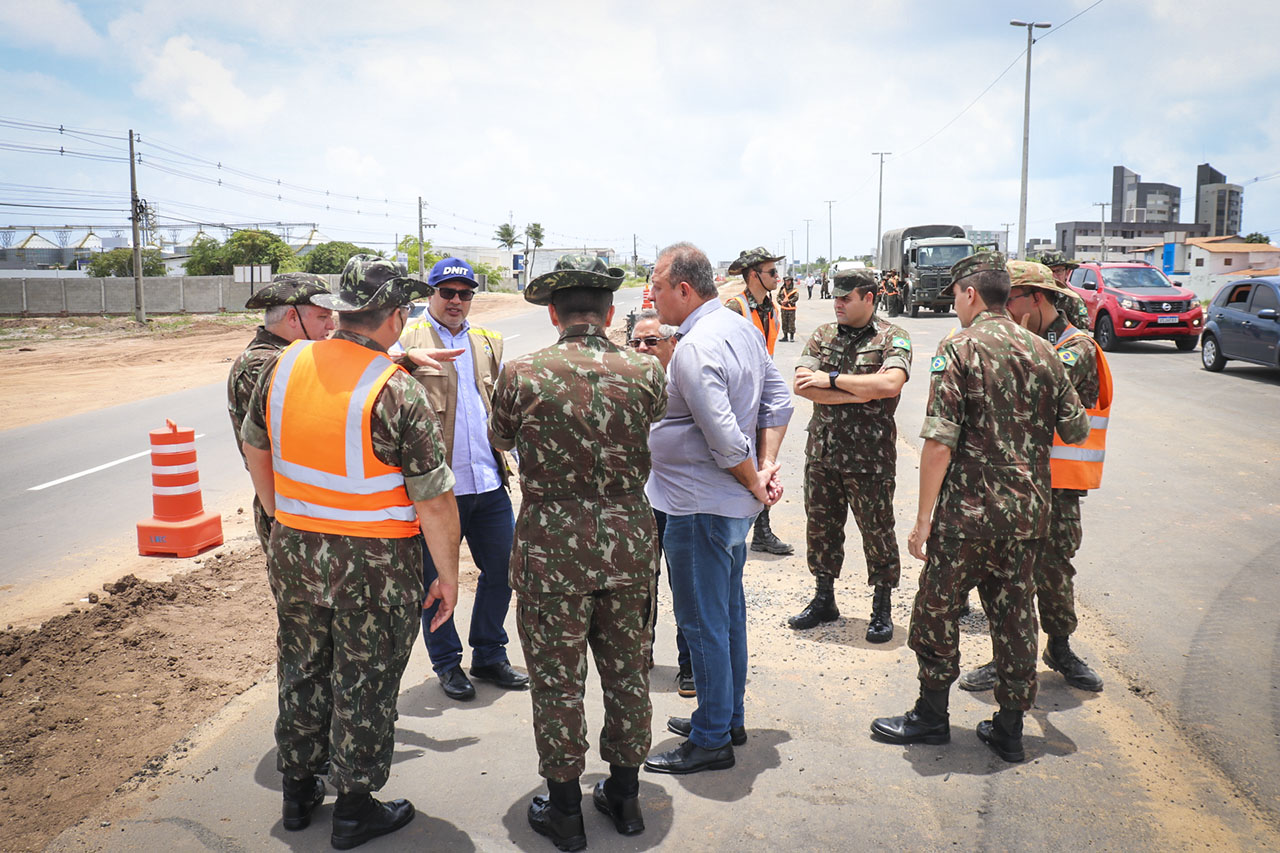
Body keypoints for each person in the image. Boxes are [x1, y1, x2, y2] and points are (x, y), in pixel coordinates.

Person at [240, 254, 461, 849]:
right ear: (393, 317)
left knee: (302, 668)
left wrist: (286, 516)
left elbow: (254, 447)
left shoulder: (283, 367)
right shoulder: (397, 391)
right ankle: (355, 810)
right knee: (363, 681)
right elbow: (435, 501)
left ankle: (297, 792)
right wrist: (447, 575)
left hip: (295, 552)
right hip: (374, 563)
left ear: (339, 313)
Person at [869, 252, 1089, 764]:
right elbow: (1075, 429)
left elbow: (940, 442)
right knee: (1014, 618)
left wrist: (923, 520)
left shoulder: (958, 348)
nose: (953, 303)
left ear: (971, 293)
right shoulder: (1044, 350)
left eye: (954, 294)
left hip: (966, 517)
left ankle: (930, 716)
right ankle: (1010, 728)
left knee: (937, 611)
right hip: (1029, 516)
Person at [489, 255, 667, 851]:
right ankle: (626, 797)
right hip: (629, 544)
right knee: (628, 676)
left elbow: (503, 437)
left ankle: (565, 812)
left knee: (557, 685)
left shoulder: (521, 373)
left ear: (552, 314)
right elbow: (654, 420)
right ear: (610, 312)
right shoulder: (645, 370)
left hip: (550, 550)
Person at [644, 242, 794, 775]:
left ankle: (711, 740)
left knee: (703, 622)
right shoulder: (740, 330)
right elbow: (778, 401)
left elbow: (724, 437)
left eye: (657, 286)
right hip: (727, 505)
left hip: (698, 507)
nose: (652, 295)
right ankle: (725, 715)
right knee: (727, 616)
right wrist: (766, 467)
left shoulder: (696, 345)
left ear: (684, 289)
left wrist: (756, 474)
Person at [958, 260, 1112, 694]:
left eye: (1011, 299)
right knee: (1006, 573)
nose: (1001, 308)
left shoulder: (1074, 347)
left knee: (1054, 570)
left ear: (1036, 299)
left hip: (1057, 485)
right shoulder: (1022, 342)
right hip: (1014, 481)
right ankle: (1002, 656)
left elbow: (1030, 385)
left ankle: (1059, 647)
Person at [395, 256, 528, 702]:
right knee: (437, 580)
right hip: (439, 490)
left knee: (504, 571)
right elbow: (368, 364)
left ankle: (489, 653)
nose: (456, 301)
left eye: (464, 293)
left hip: (488, 482)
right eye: (447, 292)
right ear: (430, 293)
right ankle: (447, 664)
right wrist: (401, 356)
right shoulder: (406, 338)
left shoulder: (488, 340)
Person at [790, 268, 911, 643]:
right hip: (823, 453)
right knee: (821, 530)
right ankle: (824, 597)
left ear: (869, 298)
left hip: (870, 458)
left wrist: (831, 380)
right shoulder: (823, 335)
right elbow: (801, 385)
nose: (837, 304)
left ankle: (882, 605)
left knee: (877, 533)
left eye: (846, 298)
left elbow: (890, 383)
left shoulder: (893, 337)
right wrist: (863, 392)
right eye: (836, 298)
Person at [227, 273, 334, 556]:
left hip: (303, 504)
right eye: (323, 317)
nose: (332, 326)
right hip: (286, 508)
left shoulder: (290, 358)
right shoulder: (262, 364)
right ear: (292, 317)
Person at [628, 309, 694, 697]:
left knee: (685, 586)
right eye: (635, 341)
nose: (642, 348)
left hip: (681, 502)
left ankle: (689, 667)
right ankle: (640, 654)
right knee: (639, 586)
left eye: (651, 341)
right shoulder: (624, 382)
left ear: (672, 342)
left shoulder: (687, 382)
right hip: (639, 501)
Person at [724, 246, 794, 557]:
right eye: (771, 272)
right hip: (739, 397)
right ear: (754, 275)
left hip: (761, 394)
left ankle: (762, 529)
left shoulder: (773, 310)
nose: (777, 277)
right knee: (741, 460)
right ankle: (737, 526)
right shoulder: (734, 308)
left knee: (765, 460)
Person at [778, 275, 800, 342]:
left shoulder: (794, 290)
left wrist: (788, 301)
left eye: (788, 281)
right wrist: (780, 302)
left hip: (791, 309)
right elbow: (778, 297)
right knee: (784, 322)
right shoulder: (782, 289)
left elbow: (796, 297)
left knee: (791, 323)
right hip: (784, 308)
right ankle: (785, 336)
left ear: (791, 281)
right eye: (786, 281)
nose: (787, 282)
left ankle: (792, 337)